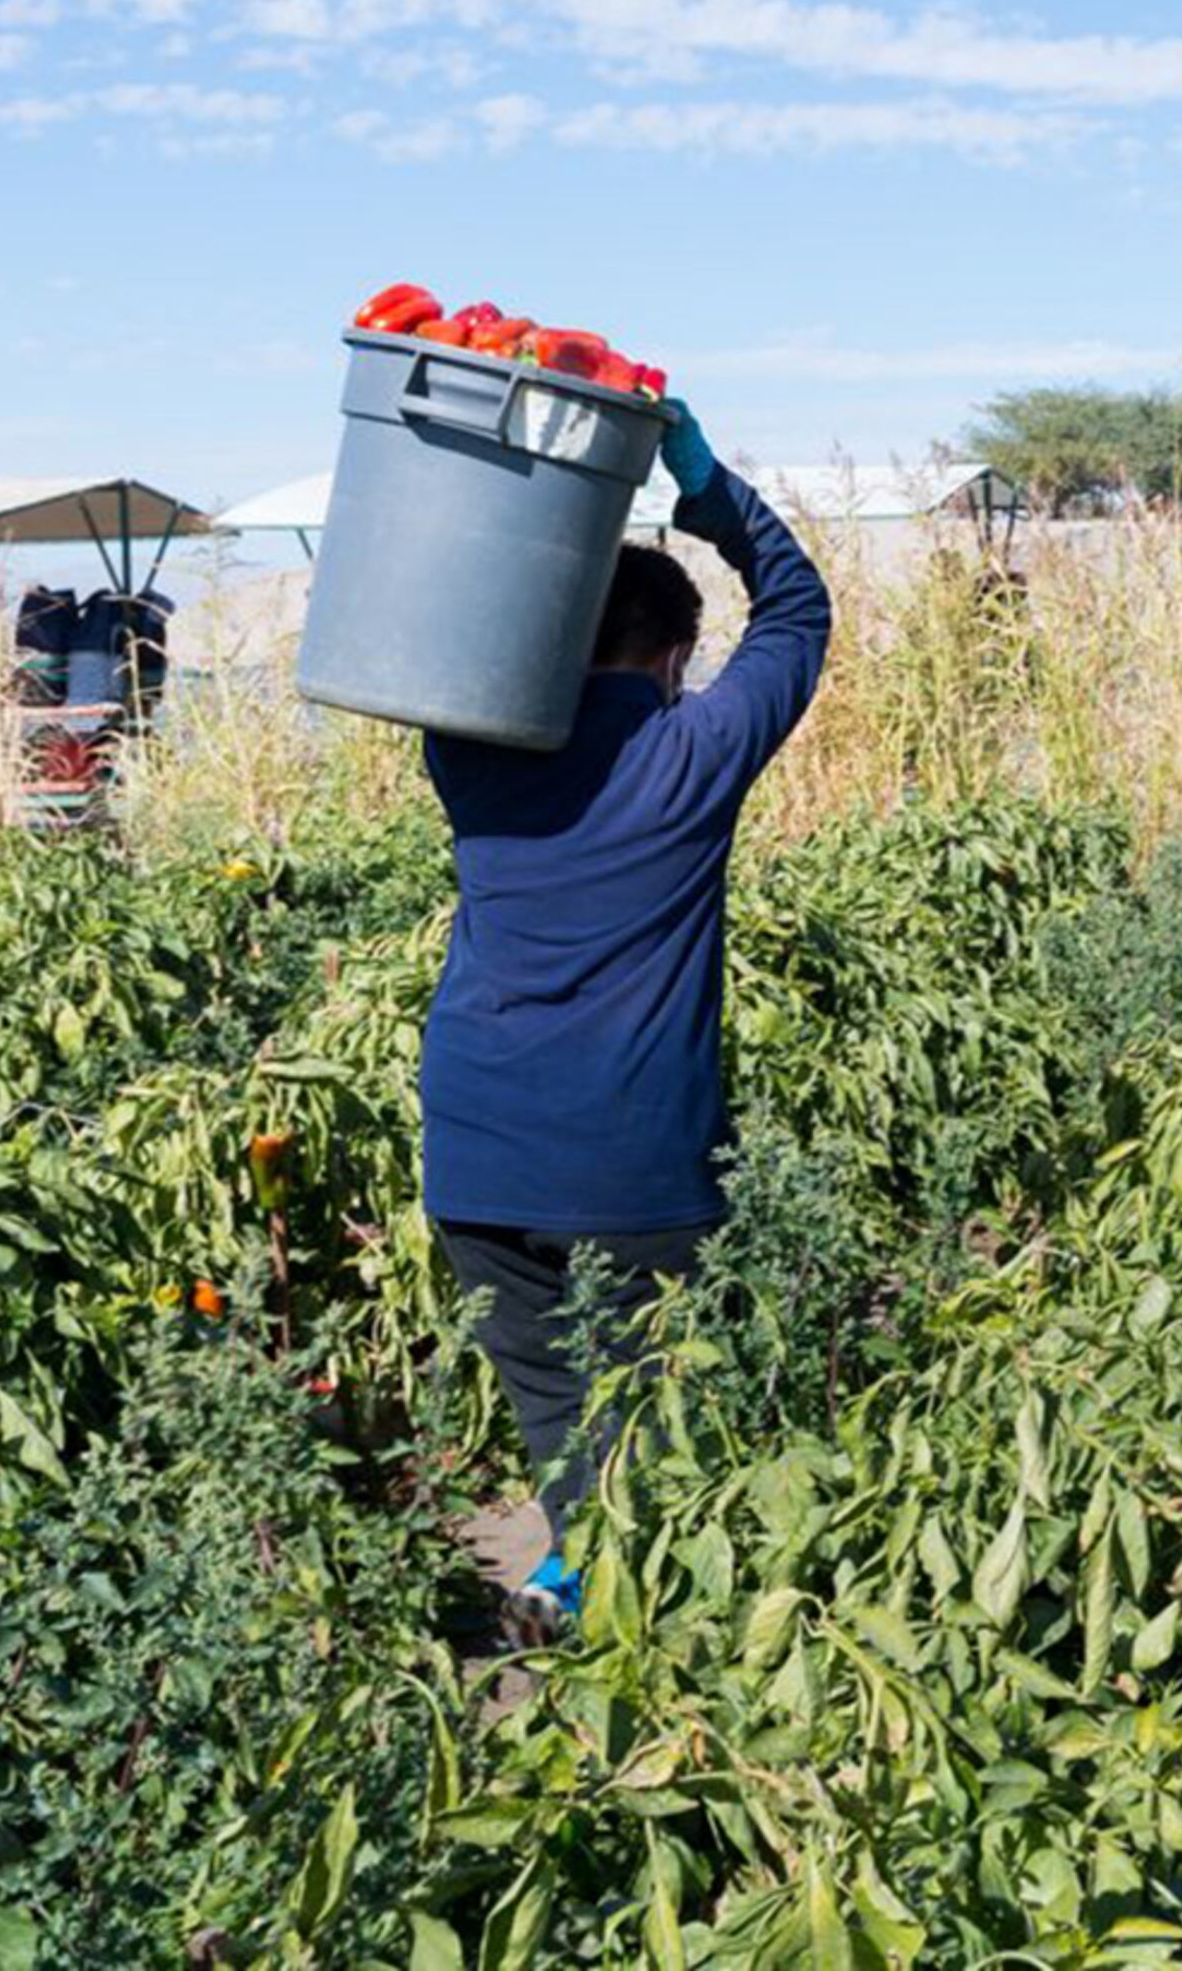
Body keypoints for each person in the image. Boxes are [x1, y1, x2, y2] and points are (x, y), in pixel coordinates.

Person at [419, 404, 831, 1637]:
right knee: (664, 1396)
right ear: (673, 656)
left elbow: (446, 632)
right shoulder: (691, 753)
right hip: (635, 1166)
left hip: (477, 1159)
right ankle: (661, 1618)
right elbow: (800, 613)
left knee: (557, 1398)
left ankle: (578, 1574)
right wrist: (707, 491)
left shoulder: (466, 749)